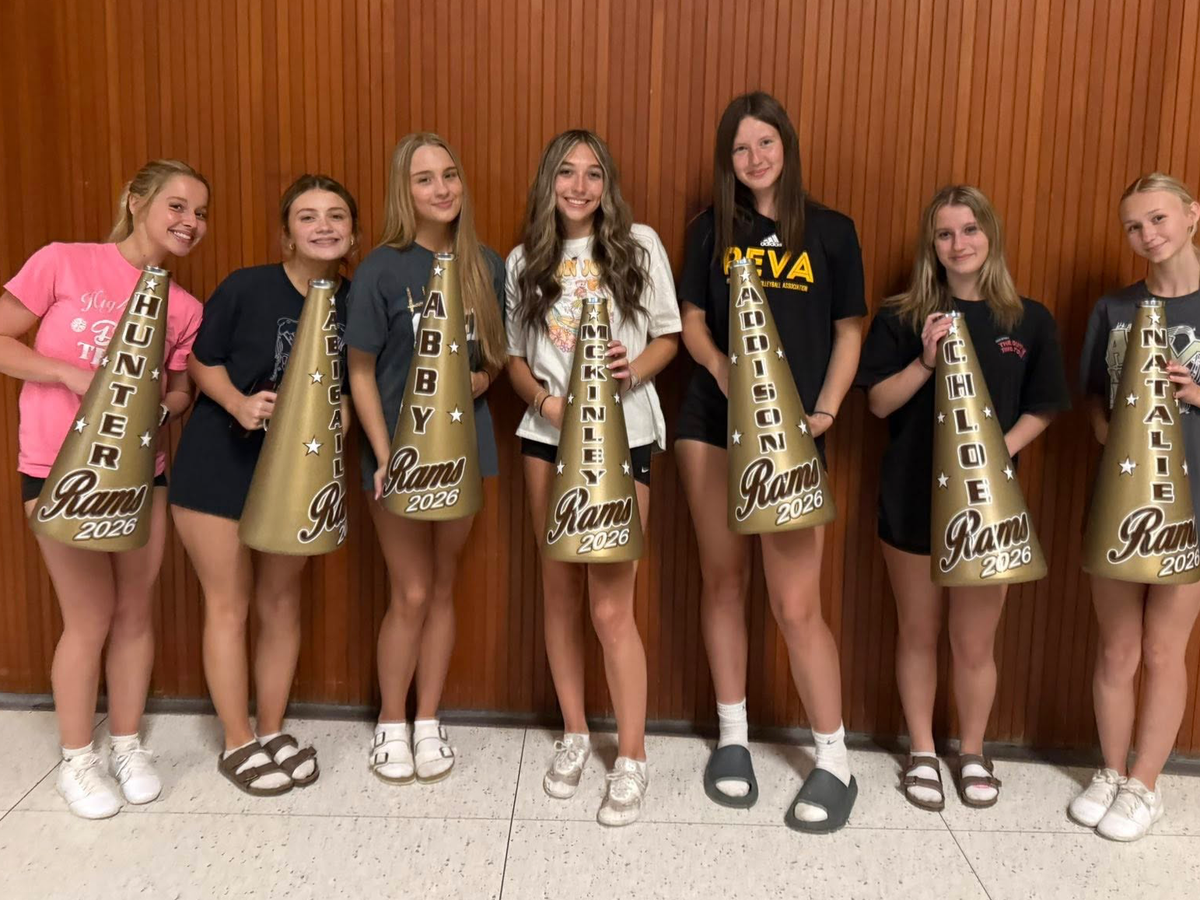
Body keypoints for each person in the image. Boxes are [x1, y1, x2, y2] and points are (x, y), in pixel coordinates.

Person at [675, 91, 864, 832]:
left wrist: (827, 411)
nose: (754, 158)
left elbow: (849, 330)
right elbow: (692, 320)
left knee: (795, 603)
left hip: (794, 434)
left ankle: (835, 758)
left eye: (765, 143)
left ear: (787, 144)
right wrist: (721, 369)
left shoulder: (833, 231)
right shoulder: (710, 229)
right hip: (711, 424)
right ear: (727, 159)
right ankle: (733, 737)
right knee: (723, 582)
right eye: (740, 148)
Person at [0, 159, 209, 818]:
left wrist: (165, 406)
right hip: (59, 469)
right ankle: (77, 760)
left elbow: (182, 390)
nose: (190, 222)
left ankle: (126, 745)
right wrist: (68, 374)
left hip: (141, 474)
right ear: (137, 201)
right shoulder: (63, 262)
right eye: (177, 206)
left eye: (200, 213)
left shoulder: (184, 307)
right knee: (88, 615)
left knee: (134, 613)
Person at [858, 184, 1069, 813]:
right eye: (946, 233)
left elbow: (1044, 406)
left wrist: (994, 454)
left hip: (987, 508)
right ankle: (923, 752)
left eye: (970, 229)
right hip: (912, 498)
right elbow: (877, 403)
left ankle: (973, 751)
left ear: (990, 235)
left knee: (975, 643)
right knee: (918, 632)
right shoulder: (902, 316)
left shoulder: (1028, 320)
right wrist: (925, 361)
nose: (959, 244)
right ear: (932, 244)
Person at [506, 129, 680, 826]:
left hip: (623, 436)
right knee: (558, 595)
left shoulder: (639, 246)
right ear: (548, 182)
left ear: (608, 185)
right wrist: (545, 403)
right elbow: (515, 358)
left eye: (593, 174)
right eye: (567, 173)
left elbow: (667, 336)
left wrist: (632, 371)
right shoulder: (525, 259)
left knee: (611, 607)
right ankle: (575, 733)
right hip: (547, 438)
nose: (579, 187)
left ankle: (631, 756)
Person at [170, 174, 359, 796]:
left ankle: (272, 729)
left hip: (298, 474)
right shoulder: (247, 286)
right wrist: (237, 402)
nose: (324, 226)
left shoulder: (358, 299)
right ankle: (237, 741)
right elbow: (201, 360)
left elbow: (353, 384)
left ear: (353, 232)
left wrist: (339, 425)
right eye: (308, 216)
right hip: (221, 461)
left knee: (281, 603)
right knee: (229, 603)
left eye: (336, 215)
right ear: (287, 234)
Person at [347, 133, 506, 786]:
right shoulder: (382, 269)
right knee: (410, 590)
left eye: (449, 174)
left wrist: (481, 379)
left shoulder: (485, 264)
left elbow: (495, 356)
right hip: (397, 456)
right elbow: (359, 371)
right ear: (404, 191)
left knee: (442, 586)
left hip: (465, 450)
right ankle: (391, 721)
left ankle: (429, 718)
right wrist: (386, 456)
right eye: (424, 179)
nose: (441, 188)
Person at [1074, 172, 1200, 841]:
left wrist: (1195, 394)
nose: (1147, 234)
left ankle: (1146, 784)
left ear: (1191, 215)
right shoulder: (1114, 308)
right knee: (1117, 647)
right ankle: (1111, 770)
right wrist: (1109, 425)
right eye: (1133, 225)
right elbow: (1092, 398)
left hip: (1192, 507)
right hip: (1121, 505)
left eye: (1158, 219)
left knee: (1162, 649)